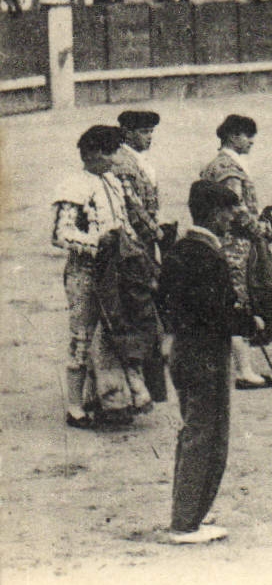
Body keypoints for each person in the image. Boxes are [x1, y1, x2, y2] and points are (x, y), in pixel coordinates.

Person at [158, 181, 260, 544]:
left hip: (190, 351)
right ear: (215, 214)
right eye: (229, 211)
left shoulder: (185, 249)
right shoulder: (204, 254)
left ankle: (191, 514)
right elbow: (212, 312)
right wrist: (248, 323)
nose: (233, 217)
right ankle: (185, 522)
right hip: (204, 354)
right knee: (205, 435)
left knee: (200, 432)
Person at [51, 125, 154, 427]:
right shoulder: (73, 185)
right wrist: (99, 243)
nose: (115, 157)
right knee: (82, 337)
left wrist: (133, 249)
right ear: (93, 153)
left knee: (119, 332)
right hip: (86, 273)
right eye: (110, 151)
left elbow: (126, 224)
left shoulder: (112, 181)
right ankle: (74, 407)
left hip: (119, 270)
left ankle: (112, 399)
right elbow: (61, 235)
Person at [200, 115, 272, 390]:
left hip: (221, 241)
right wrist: (260, 229)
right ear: (232, 136)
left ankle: (237, 368)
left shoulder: (218, 165)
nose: (251, 141)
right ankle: (243, 371)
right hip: (235, 244)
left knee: (231, 302)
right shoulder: (230, 169)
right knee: (239, 302)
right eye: (247, 135)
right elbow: (236, 210)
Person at [109, 109, 168, 401]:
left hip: (142, 241)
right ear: (128, 132)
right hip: (131, 245)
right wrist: (154, 229)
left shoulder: (134, 160)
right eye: (144, 132)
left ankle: (144, 366)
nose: (149, 138)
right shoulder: (122, 162)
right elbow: (132, 206)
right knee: (136, 302)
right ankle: (137, 371)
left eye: (150, 132)